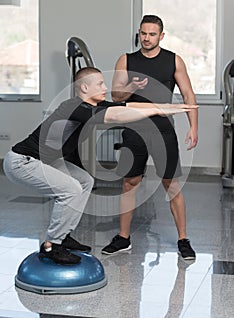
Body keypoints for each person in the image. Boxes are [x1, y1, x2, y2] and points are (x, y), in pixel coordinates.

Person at [3, 66, 197, 265]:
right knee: (70, 190)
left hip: (48, 162)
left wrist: (165, 107)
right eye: (100, 84)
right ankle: (52, 245)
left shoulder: (93, 105)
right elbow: (116, 116)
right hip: (23, 161)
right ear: (85, 88)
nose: (105, 87)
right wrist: (157, 110)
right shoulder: (74, 107)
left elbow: (126, 108)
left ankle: (64, 235)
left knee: (85, 181)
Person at [101, 15, 198, 260]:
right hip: (133, 128)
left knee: (171, 184)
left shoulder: (173, 60)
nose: (147, 38)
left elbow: (188, 94)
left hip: (163, 129)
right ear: (139, 33)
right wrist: (133, 86)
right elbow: (115, 94)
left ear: (161, 36)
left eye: (152, 34)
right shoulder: (127, 59)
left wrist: (193, 128)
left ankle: (183, 240)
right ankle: (123, 238)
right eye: (143, 33)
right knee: (129, 183)